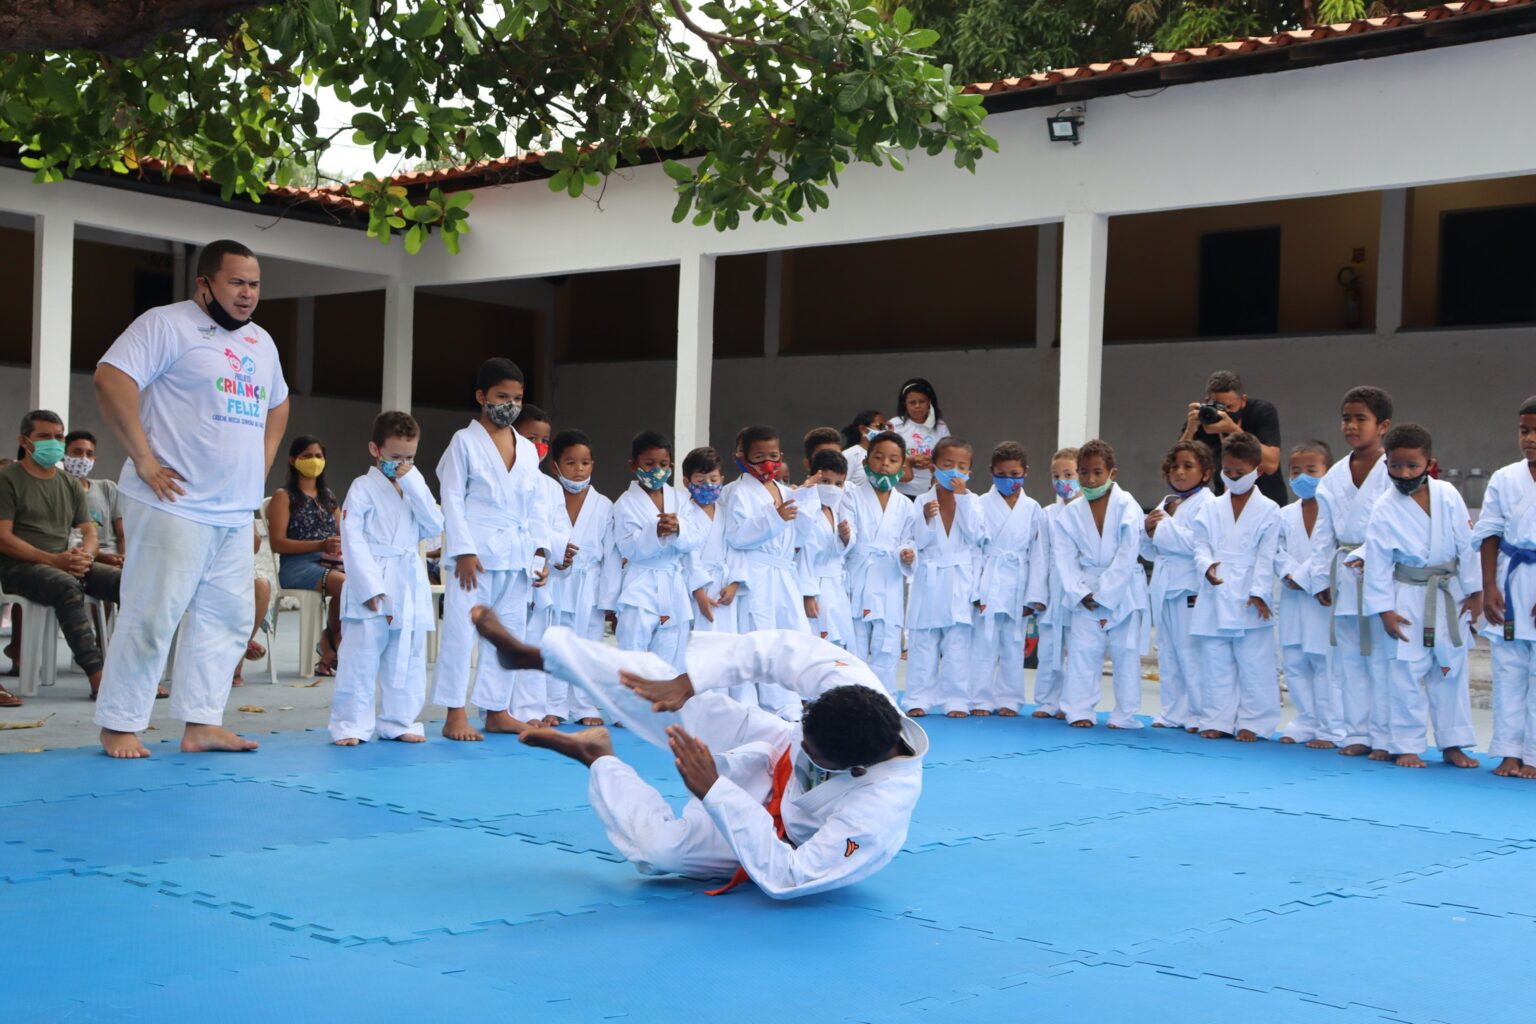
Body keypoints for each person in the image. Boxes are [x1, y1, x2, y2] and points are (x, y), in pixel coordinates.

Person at [470, 608, 928, 900]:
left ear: (856, 768)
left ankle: (598, 756)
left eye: (814, 752)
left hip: (779, 834)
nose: (805, 747)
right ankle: (542, 656)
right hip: (772, 749)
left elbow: (789, 876)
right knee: (677, 700)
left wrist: (715, 791)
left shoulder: (876, 812)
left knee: (659, 853)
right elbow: (775, 651)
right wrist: (688, 683)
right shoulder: (853, 690)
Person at [93, 238, 290, 757]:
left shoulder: (261, 343)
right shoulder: (165, 324)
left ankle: (202, 722)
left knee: (225, 619)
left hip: (232, 508)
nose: (248, 295)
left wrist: (257, 469)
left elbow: (279, 406)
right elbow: (112, 379)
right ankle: (119, 723)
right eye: (236, 283)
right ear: (205, 283)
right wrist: (143, 458)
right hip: (170, 502)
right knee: (152, 614)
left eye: (255, 285)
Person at [433, 357, 552, 741]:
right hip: (477, 555)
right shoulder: (464, 442)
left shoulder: (528, 449)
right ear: (481, 396)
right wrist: (463, 551)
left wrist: (540, 552)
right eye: (502, 396)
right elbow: (450, 498)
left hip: (517, 554)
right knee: (461, 631)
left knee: (509, 634)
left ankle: (497, 709)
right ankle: (454, 713)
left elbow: (536, 505)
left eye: (517, 398)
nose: (511, 405)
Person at [1361, 423, 1481, 770]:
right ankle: (1406, 744)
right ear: (1386, 464)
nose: (1403, 473)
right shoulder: (1384, 506)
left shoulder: (1448, 494)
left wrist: (1474, 592)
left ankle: (1453, 743)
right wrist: (1383, 610)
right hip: (1406, 596)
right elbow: (1379, 560)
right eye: (1395, 465)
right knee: (1406, 672)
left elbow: (1466, 546)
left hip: (1446, 593)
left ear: (1430, 463)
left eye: (1412, 465)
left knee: (1451, 669)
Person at [329, 412, 444, 745]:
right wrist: (368, 587)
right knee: (361, 657)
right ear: (375, 450)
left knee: (407, 655)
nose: (403, 464)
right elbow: (352, 537)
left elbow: (434, 527)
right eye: (395, 457)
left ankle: (400, 721)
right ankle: (350, 725)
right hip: (374, 574)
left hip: (407, 577)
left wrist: (414, 484)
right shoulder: (362, 488)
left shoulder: (414, 486)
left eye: (410, 457)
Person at [0, 411, 123, 704]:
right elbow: (3, 538)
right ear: (24, 441)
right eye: (44, 436)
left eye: (58, 437)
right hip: (19, 566)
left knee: (131, 583)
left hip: (65, 563)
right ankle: (98, 678)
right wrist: (55, 561)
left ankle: (128, 673)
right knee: (65, 585)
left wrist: (86, 557)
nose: (53, 443)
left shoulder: (69, 483)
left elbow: (89, 531)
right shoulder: (7, 479)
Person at [1308, 386, 1394, 759]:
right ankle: (1357, 732)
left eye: (1361, 418)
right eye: (1346, 418)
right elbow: (1323, 532)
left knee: (1384, 658)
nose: (1352, 426)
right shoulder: (1333, 477)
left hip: (1385, 571)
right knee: (1350, 660)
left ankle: (1388, 735)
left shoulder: (1396, 469)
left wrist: (1365, 553)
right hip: (1343, 570)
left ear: (1383, 425)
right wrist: (1319, 577)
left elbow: (1399, 526)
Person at [1188, 433, 1283, 742]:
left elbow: (1268, 556)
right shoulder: (1212, 508)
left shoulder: (1270, 509)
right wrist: (1206, 566)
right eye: (1226, 472)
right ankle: (1217, 718)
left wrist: (1259, 592)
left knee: (1255, 663)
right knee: (1216, 661)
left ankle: (1254, 722)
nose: (1231, 477)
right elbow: (1199, 544)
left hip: (1249, 594)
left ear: (1257, 469)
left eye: (1238, 473)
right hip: (1216, 588)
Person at [1051, 440, 1147, 730]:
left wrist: (1106, 592)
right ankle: (1079, 709)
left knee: (1126, 653)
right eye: (1084, 472)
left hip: (1123, 588)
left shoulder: (1127, 504)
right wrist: (1080, 591)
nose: (1090, 480)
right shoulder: (1069, 513)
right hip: (1085, 587)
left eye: (1097, 472)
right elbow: (1064, 558)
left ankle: (1125, 714)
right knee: (1082, 652)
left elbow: (1128, 552)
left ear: (1112, 473)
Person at [722, 424, 812, 719]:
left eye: (772, 456)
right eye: (758, 457)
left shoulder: (786, 491)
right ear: (741, 457)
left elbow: (798, 539)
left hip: (784, 571)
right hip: (757, 571)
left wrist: (806, 510)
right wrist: (774, 517)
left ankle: (787, 701)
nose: (767, 464)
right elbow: (736, 536)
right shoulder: (735, 492)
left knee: (790, 636)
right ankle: (754, 704)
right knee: (759, 638)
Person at [1474, 396, 1536, 779]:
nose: (1529, 438)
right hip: (1511, 580)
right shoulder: (1504, 478)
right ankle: (1509, 751)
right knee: (1509, 670)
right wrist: (1488, 587)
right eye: (1524, 430)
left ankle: (1533, 753)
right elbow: (1489, 534)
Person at [905, 438, 983, 718]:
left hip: (959, 577)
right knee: (923, 642)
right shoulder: (921, 502)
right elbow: (916, 542)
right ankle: (917, 697)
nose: (954, 471)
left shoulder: (973, 501)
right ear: (934, 467)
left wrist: (962, 500)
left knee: (958, 644)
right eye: (948, 465)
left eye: (962, 466)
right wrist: (926, 519)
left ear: (970, 472)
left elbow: (976, 535)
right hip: (930, 575)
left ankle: (957, 700)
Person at [1141, 440, 1216, 731]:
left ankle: (1200, 713)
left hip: (1189, 586)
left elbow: (1197, 544)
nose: (1180, 472)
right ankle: (1173, 712)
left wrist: (1161, 528)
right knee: (1168, 651)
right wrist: (1147, 532)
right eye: (1174, 467)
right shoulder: (1167, 501)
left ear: (1206, 473)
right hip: (1163, 584)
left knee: (1191, 651)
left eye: (1188, 466)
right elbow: (1150, 551)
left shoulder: (1209, 504)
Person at [969, 442, 1048, 718]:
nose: (1009, 480)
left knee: (1014, 644)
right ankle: (979, 698)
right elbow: (974, 550)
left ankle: (1010, 700)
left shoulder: (1033, 508)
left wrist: (1034, 596)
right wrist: (975, 590)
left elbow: (1038, 555)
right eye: (1002, 474)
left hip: (1019, 579)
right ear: (991, 472)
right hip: (988, 578)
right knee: (983, 642)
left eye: (1015, 474)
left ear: (1026, 472)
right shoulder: (978, 504)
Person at [546, 428, 616, 726]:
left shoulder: (604, 506)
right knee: (555, 645)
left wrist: (610, 598)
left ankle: (585, 705)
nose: (579, 470)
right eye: (571, 462)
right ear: (555, 466)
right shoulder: (547, 499)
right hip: (556, 582)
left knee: (588, 646)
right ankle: (553, 704)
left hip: (591, 584)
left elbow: (612, 555)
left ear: (593, 465)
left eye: (585, 463)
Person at [612, 430, 698, 673]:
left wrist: (679, 528)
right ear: (633, 465)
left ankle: (664, 707)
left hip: (673, 583)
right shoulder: (625, 503)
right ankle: (628, 708)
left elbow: (695, 538)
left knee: (672, 650)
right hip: (640, 584)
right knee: (633, 647)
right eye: (649, 464)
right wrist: (655, 531)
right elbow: (627, 546)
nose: (657, 470)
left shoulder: (681, 500)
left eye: (663, 464)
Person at [1276, 441, 1340, 747]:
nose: (1302, 477)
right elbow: (1273, 551)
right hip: (1292, 595)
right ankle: (1305, 719)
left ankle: (1331, 726)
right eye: (1296, 470)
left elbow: (1332, 551)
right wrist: (1289, 574)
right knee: (1295, 661)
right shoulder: (1284, 514)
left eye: (1311, 470)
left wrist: (1307, 578)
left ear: (1327, 472)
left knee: (1324, 663)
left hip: (1321, 595)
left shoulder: (1336, 511)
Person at [843, 431, 917, 696]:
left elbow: (909, 539)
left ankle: (883, 701)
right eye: (878, 457)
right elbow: (847, 531)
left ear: (902, 465)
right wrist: (845, 535)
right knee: (856, 643)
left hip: (889, 578)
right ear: (865, 462)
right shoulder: (851, 494)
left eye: (893, 459)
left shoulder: (906, 506)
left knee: (887, 643)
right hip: (859, 575)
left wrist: (909, 552)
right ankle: (854, 699)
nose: (885, 464)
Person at [267, 435, 345, 676]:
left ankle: (328, 643)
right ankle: (331, 643)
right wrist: (320, 544)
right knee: (346, 584)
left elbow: (345, 531)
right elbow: (277, 543)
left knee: (363, 583)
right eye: (307, 456)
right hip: (297, 567)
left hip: (329, 563)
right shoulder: (284, 496)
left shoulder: (328, 496)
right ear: (292, 460)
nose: (314, 461)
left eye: (318, 456)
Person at [511, 403, 569, 726]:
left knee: (536, 643)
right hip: (512, 569)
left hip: (541, 574)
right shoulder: (508, 478)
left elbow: (559, 528)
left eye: (544, 439)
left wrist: (550, 555)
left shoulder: (550, 486)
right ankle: (502, 709)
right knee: (509, 641)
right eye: (531, 437)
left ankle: (531, 709)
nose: (539, 446)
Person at [1178, 370, 1286, 506]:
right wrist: (1190, 430)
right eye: (1218, 407)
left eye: (1230, 407)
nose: (1224, 413)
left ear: (1244, 401)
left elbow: (1271, 465)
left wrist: (1234, 430)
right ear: (1207, 402)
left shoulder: (1261, 411)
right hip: (1224, 504)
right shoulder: (1203, 416)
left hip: (1268, 502)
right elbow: (1175, 464)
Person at [1031, 448, 1080, 719]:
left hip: (1079, 590)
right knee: (1049, 648)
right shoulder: (1047, 513)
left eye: (1069, 474)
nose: (1062, 481)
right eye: (1056, 475)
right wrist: (1037, 595)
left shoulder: (1089, 511)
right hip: (1053, 589)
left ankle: (1072, 702)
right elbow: (1040, 557)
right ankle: (1047, 701)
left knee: (1077, 650)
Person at [795, 449, 855, 651]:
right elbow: (802, 553)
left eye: (838, 484)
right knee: (817, 643)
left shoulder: (835, 509)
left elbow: (838, 552)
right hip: (815, 585)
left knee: (839, 644)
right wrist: (808, 594)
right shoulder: (804, 508)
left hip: (836, 585)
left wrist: (845, 538)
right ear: (814, 478)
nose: (832, 488)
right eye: (826, 482)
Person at [62, 431, 125, 567]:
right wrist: (103, 559)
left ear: (94, 459)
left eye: (89, 454)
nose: (83, 459)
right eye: (77, 452)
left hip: (115, 560)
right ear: (63, 457)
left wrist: (125, 560)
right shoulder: (57, 492)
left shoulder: (107, 488)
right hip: (79, 559)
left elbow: (122, 535)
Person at [888, 378, 951, 498]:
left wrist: (932, 461)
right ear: (904, 404)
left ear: (929, 402)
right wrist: (909, 460)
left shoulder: (941, 427)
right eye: (912, 402)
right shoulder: (894, 425)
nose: (917, 406)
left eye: (922, 401)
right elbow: (885, 456)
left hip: (930, 490)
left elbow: (948, 456)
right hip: (899, 491)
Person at [840, 409, 889, 490]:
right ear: (863, 429)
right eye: (880, 427)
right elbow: (840, 484)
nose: (884, 431)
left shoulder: (886, 455)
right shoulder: (850, 455)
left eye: (885, 427)